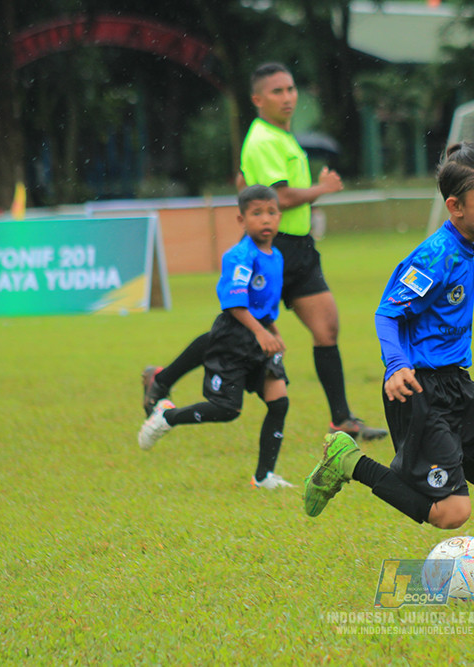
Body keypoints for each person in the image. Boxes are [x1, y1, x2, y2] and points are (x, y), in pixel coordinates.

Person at [300, 142, 474, 581]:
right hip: (419, 390)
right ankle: (348, 462)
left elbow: (448, 286)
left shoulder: (462, 247)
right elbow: (387, 313)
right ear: (456, 207)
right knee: (452, 513)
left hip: (455, 383)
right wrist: (397, 365)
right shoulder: (434, 254)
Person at [142, 62, 387, 442]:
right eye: (277, 91)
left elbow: (254, 185)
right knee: (234, 332)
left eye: (291, 89)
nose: (288, 97)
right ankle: (161, 378)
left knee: (327, 328)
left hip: (300, 249)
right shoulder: (263, 140)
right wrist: (321, 189)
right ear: (257, 99)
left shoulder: (283, 137)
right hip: (270, 247)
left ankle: (341, 420)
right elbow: (281, 197)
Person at [138, 186, 295, 489]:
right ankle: (167, 418)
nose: (266, 219)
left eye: (272, 212)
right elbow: (235, 303)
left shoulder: (276, 256)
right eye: (257, 213)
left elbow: (263, 303)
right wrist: (260, 332)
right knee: (227, 409)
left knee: (279, 402)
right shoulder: (239, 256)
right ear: (241, 219)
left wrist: (273, 332)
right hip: (233, 338)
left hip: (260, 336)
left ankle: (264, 477)